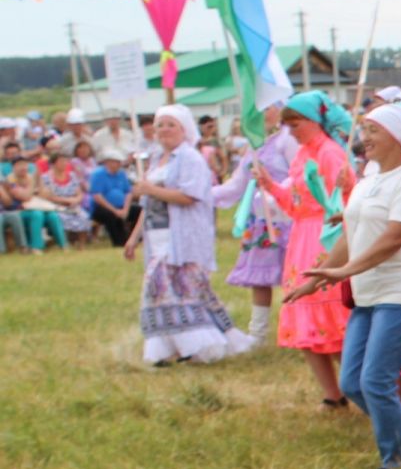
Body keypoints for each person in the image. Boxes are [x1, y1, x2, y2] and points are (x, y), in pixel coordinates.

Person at [285, 105, 401, 469]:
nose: (365, 138)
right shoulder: (368, 178)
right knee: (353, 382)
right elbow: (350, 233)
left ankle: (397, 460)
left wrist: (346, 270)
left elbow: (394, 237)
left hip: (400, 294)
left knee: (375, 381)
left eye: (374, 130)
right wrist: (322, 275)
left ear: (399, 137)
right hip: (367, 293)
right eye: (365, 129)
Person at [123, 105, 253, 364]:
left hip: (182, 236)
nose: (165, 130)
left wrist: (151, 190)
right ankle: (174, 346)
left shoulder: (190, 158)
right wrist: (133, 237)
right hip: (157, 234)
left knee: (175, 289)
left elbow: (190, 196)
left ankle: (197, 346)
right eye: (160, 125)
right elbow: (149, 206)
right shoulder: (155, 159)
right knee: (169, 292)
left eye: (171, 125)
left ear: (184, 129)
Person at [261, 93, 355, 407]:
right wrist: (270, 186)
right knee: (306, 322)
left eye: (295, 123)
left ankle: (356, 388)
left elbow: (348, 199)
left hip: (325, 237)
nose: (291, 130)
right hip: (301, 238)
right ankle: (332, 395)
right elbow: (295, 204)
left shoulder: (330, 152)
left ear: (315, 120)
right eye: (286, 124)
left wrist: (345, 186)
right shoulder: (301, 154)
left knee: (333, 321)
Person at [218, 105, 297, 344]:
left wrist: (277, 192)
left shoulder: (287, 139)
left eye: (267, 108)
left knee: (293, 277)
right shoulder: (253, 143)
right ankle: (257, 334)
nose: (262, 113)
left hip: (286, 218)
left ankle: (297, 330)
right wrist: (200, 195)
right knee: (260, 279)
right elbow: (235, 185)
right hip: (261, 221)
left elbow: (299, 174)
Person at [5, 159, 68, 253]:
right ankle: (36, 247)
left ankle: (63, 245)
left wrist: (38, 182)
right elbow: (25, 197)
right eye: (20, 165)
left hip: (34, 208)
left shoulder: (30, 177)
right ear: (13, 167)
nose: (23, 167)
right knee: (37, 214)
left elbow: (45, 194)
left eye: (25, 165)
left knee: (52, 215)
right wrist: (33, 186)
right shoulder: (10, 180)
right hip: (18, 212)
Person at [42, 150, 91, 246]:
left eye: (65, 161)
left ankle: (82, 244)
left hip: (73, 205)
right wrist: (66, 201)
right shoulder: (46, 178)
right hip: (56, 206)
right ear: (53, 163)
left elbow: (79, 193)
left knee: (84, 216)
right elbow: (48, 197)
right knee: (61, 217)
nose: (64, 164)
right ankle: (64, 243)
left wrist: (76, 200)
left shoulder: (72, 176)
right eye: (61, 161)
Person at [89, 149, 137, 246]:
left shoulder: (121, 174)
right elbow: (97, 196)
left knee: (139, 211)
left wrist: (125, 209)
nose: (119, 164)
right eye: (116, 162)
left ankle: (134, 238)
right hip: (102, 207)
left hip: (121, 206)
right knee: (110, 215)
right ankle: (118, 242)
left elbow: (128, 192)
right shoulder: (98, 174)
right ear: (108, 162)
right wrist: (115, 210)